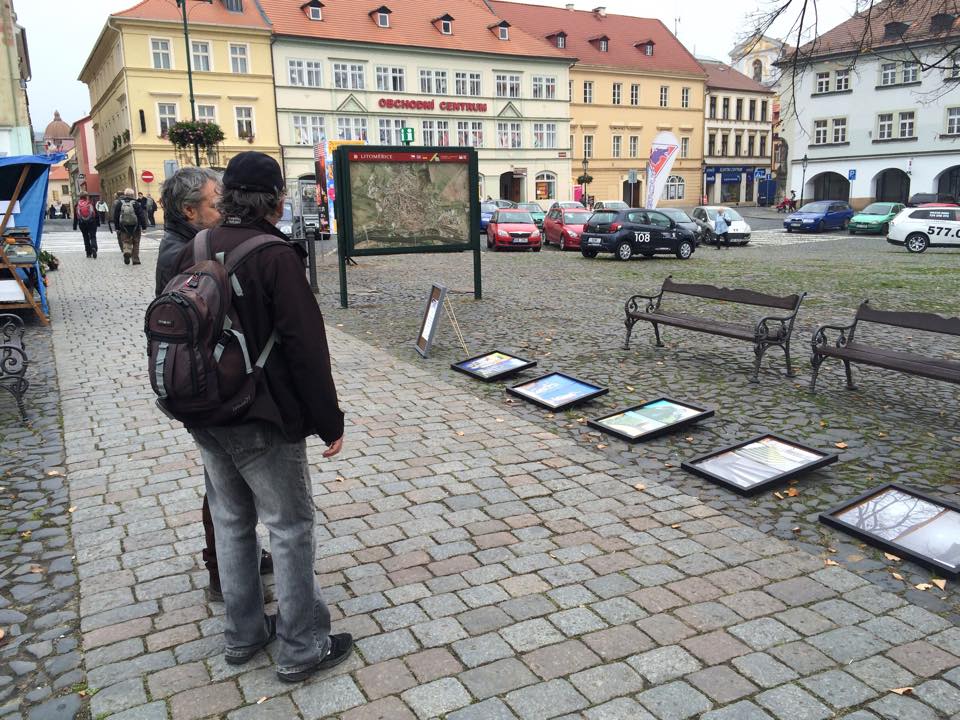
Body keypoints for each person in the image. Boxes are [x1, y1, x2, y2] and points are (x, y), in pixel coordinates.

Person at [172, 151, 352, 681]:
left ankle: (244, 633)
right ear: (275, 201)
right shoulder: (274, 255)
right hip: (262, 413)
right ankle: (302, 647)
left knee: (231, 524)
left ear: (228, 196)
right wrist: (329, 420)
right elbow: (306, 347)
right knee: (290, 527)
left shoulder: (195, 246)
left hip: (205, 409)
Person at [155, 166, 274, 599]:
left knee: (225, 479)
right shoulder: (184, 252)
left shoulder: (186, 242)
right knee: (223, 486)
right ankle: (221, 570)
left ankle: (236, 557)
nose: (222, 207)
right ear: (190, 211)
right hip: (204, 381)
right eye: (214, 201)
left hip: (200, 377)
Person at [113, 188, 147, 265]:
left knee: (125, 241)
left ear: (125, 194)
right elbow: (141, 215)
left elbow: (116, 216)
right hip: (136, 227)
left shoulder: (120, 203)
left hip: (123, 227)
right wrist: (144, 227)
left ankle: (127, 252)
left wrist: (117, 227)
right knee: (136, 242)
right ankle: (135, 260)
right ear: (132, 195)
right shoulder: (136, 203)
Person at [73, 192, 99, 258]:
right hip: (92, 222)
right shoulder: (90, 203)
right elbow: (96, 213)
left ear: (80, 197)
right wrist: (98, 222)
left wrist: (75, 226)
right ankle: (94, 247)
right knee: (93, 236)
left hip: (82, 223)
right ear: (86, 196)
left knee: (85, 237)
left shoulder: (77, 205)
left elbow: (75, 216)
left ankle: (88, 253)